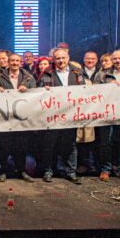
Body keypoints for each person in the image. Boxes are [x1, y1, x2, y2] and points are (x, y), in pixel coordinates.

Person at [38, 48, 85, 184]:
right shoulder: (46, 73)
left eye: (63, 58)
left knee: (70, 144)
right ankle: (48, 171)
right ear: (53, 59)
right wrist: (43, 90)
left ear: (68, 57)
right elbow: (39, 93)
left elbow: (84, 91)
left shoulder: (77, 72)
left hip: (71, 115)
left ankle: (71, 172)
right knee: (49, 144)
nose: (61, 61)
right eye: (58, 58)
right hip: (52, 116)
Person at [0, 53, 36, 182]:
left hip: (21, 118)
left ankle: (22, 170)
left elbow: (35, 94)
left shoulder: (29, 78)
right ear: (8, 62)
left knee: (21, 146)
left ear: (20, 62)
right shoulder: (0, 78)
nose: (14, 63)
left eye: (17, 61)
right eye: (12, 61)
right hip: (5, 118)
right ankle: (3, 170)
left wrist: (27, 90)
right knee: (3, 146)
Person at [94, 50, 120, 182]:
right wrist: (107, 87)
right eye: (115, 59)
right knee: (105, 143)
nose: (117, 61)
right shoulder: (102, 74)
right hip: (107, 114)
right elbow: (94, 94)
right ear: (111, 60)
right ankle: (105, 169)